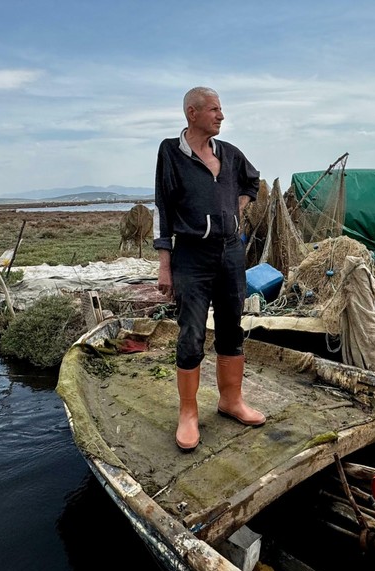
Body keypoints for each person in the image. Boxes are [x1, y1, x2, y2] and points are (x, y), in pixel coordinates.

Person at [154, 86, 266, 452]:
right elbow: (163, 209)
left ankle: (230, 401)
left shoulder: (230, 154)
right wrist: (164, 266)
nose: (221, 116)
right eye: (214, 110)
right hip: (191, 255)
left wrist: (238, 206)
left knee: (233, 325)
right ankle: (188, 413)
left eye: (221, 110)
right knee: (191, 332)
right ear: (192, 112)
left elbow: (253, 180)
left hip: (231, 252)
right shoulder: (171, 152)